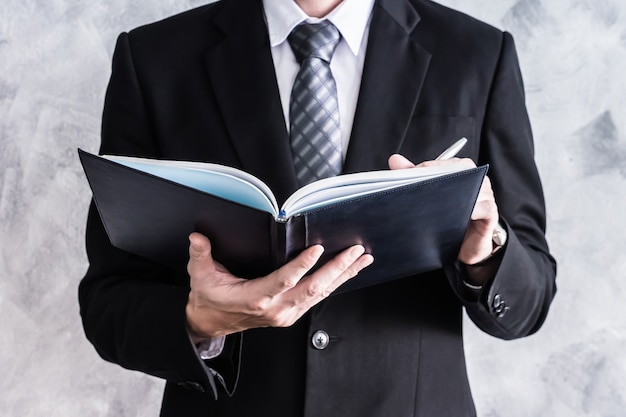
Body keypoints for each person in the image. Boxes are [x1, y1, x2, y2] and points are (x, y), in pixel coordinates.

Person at [79, 0, 557, 416]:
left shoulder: (477, 54)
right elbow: (109, 302)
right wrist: (201, 320)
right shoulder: (156, 59)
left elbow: (529, 299)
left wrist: (486, 253)